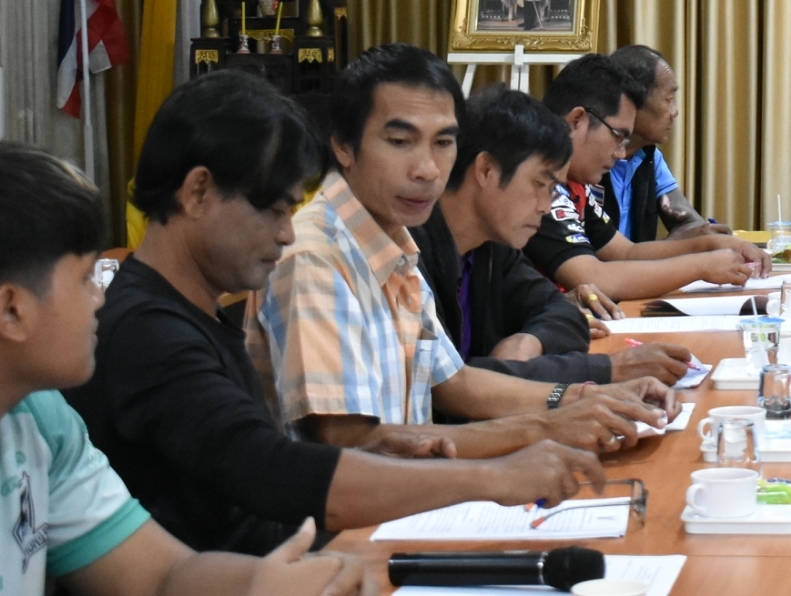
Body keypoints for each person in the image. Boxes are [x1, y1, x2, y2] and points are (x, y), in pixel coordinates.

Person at [0, 142, 372, 595]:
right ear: (11, 309)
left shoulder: (31, 409)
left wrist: (268, 584)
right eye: (85, 278)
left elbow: (161, 576)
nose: (102, 298)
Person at [70, 71, 603, 555]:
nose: (287, 232)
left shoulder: (192, 313)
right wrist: (493, 475)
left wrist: (398, 449)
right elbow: (268, 470)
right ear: (198, 192)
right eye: (274, 209)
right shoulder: (148, 330)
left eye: (443, 143)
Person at [247, 44, 675, 453]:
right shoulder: (316, 256)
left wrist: (584, 397)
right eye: (400, 141)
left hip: (418, 487)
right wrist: (545, 425)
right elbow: (350, 442)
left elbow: (453, 382)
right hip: (373, 502)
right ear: (343, 144)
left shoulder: (394, 241)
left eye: (443, 143)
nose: (427, 170)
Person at [413, 85, 695, 387]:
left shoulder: (492, 247)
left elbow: (563, 311)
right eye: (540, 185)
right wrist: (609, 369)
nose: (546, 207)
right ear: (486, 170)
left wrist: (529, 340)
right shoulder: (409, 255)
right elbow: (448, 386)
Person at [521, 55, 764, 311]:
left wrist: (708, 245)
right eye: (618, 136)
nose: (620, 153)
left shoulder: (574, 183)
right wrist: (701, 266)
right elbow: (596, 277)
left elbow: (625, 252)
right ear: (576, 120)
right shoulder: (538, 181)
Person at [604, 45, 725, 241]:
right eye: (668, 99)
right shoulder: (591, 159)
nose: (675, 112)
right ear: (631, 101)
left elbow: (691, 224)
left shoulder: (648, 156)